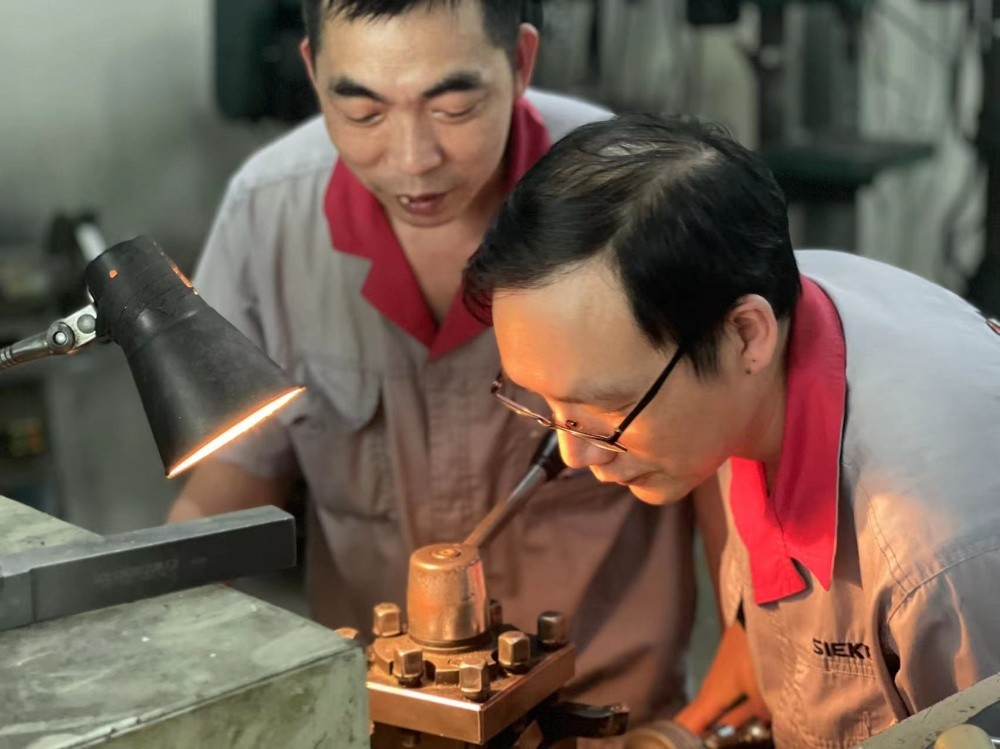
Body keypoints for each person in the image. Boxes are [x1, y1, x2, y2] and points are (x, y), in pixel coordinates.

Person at [167, 0, 701, 728]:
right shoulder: (269, 215)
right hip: (379, 713)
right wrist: (157, 628)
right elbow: (230, 483)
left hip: (605, 714)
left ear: (520, 62)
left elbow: (733, 454)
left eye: (453, 109)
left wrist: (733, 680)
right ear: (314, 73)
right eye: (364, 113)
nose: (414, 159)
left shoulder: (633, 194)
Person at [463, 112, 1000, 747]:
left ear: (746, 334)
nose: (574, 453)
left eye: (606, 407)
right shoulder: (770, 308)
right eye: (544, 403)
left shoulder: (936, 555)